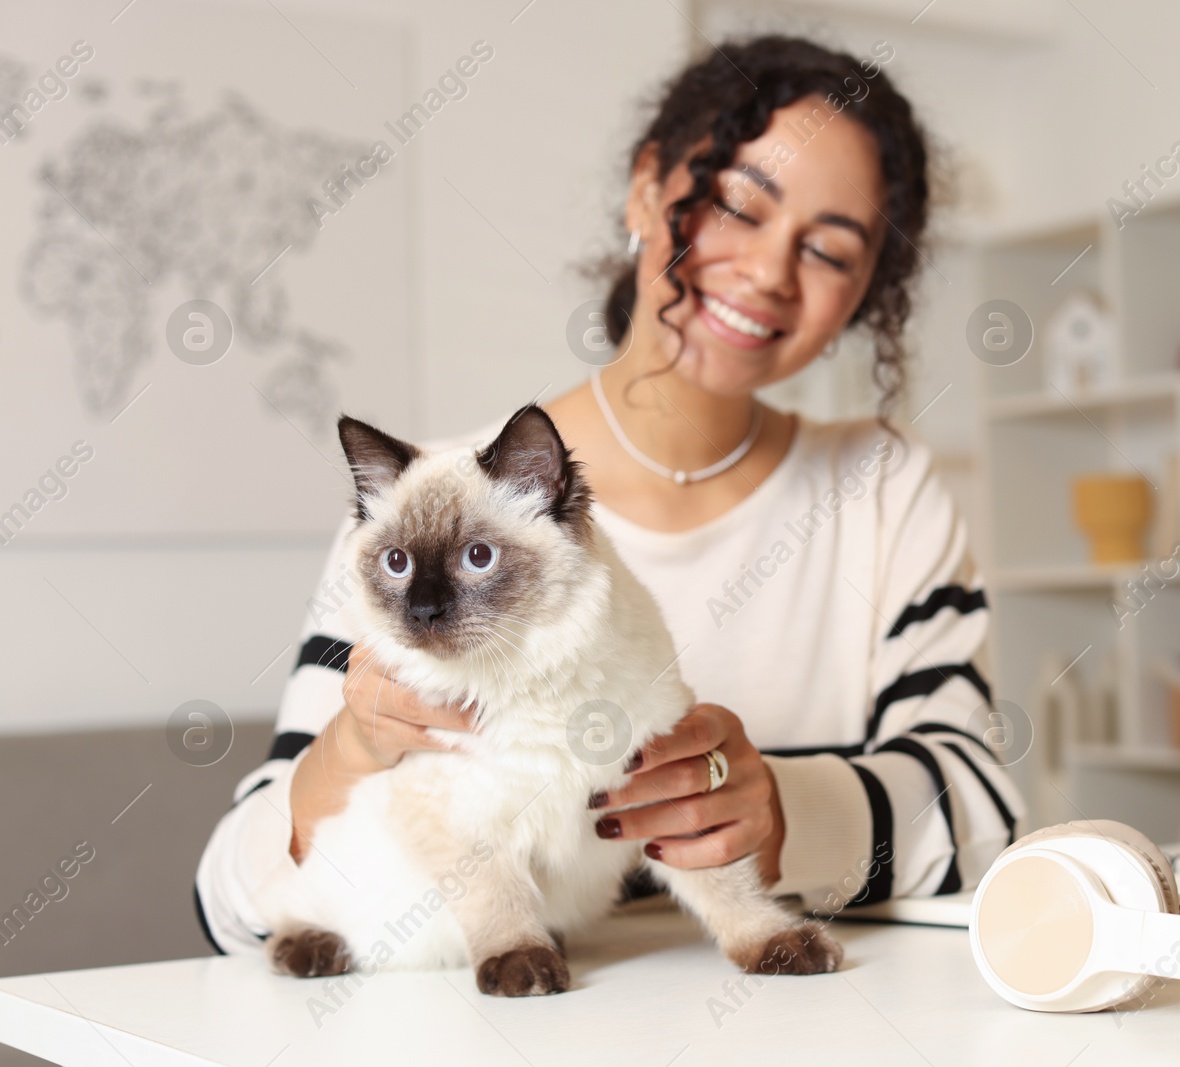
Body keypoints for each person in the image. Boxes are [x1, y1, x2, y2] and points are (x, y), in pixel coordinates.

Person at [195, 34, 1023, 955]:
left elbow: (986, 811)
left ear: (867, 292)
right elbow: (227, 902)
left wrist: (780, 807)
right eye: (738, 207)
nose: (768, 272)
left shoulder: (884, 486)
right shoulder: (429, 499)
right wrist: (355, 748)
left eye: (829, 253)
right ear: (645, 188)